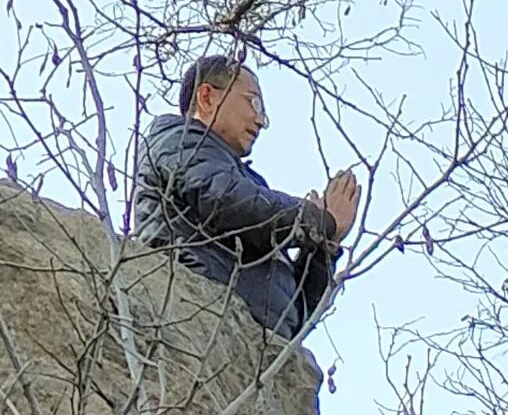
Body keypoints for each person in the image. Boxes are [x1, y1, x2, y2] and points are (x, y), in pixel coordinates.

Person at [131, 54, 363, 336]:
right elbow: (226, 201)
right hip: (198, 320)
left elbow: (295, 312)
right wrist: (314, 220)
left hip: (255, 345)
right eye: (253, 103)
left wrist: (323, 247)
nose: (260, 120)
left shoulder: (242, 178)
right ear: (207, 97)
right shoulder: (178, 143)